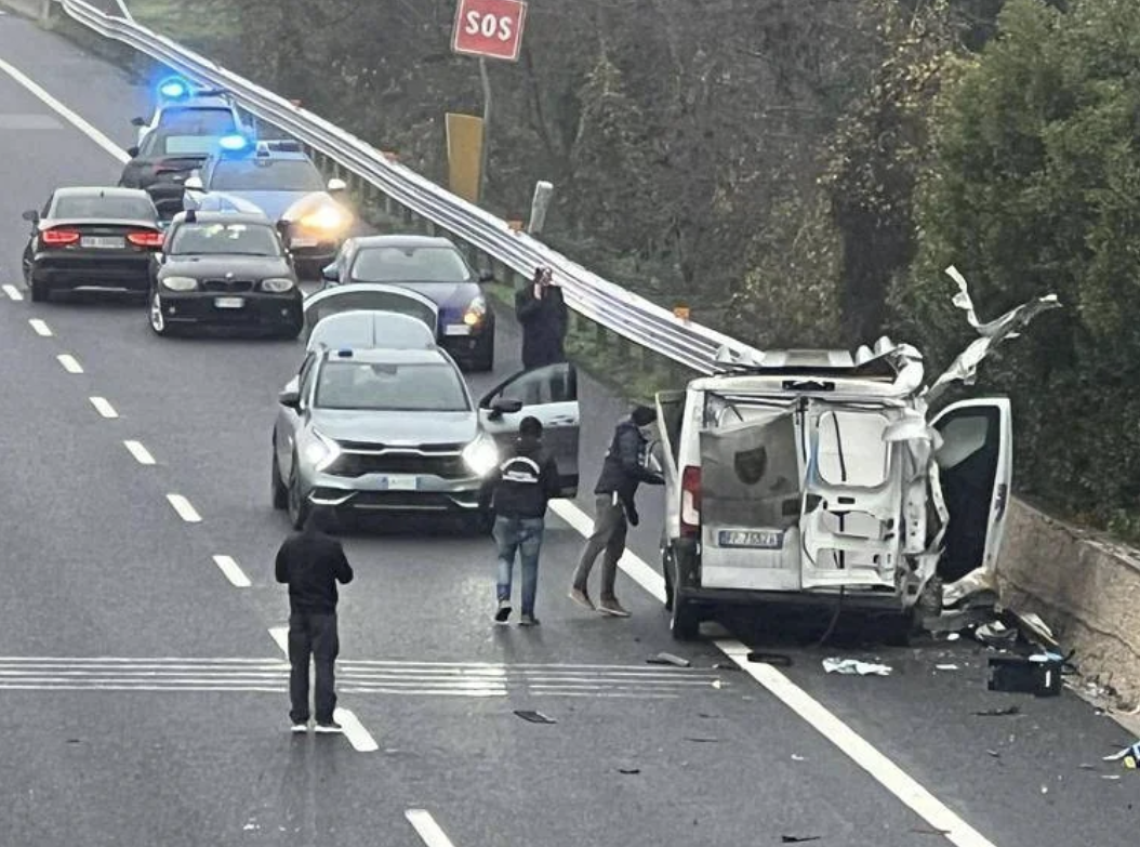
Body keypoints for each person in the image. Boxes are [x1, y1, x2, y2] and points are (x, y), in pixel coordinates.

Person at [569, 406, 664, 617]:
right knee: (600, 538)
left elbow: (626, 479)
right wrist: (658, 479)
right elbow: (630, 468)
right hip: (612, 496)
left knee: (615, 547)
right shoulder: (630, 435)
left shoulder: (629, 434)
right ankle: (578, 585)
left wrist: (631, 510)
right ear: (645, 424)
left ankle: (608, 598)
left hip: (618, 497)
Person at [274, 506, 354, 733]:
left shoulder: (291, 543)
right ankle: (324, 719)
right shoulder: (331, 546)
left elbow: (280, 575)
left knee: (298, 666)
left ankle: (299, 718)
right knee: (324, 664)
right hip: (324, 614)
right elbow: (346, 576)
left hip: (298, 614)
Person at [490, 416, 560, 626]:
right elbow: (554, 488)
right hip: (532, 517)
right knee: (529, 565)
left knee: (504, 559)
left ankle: (503, 599)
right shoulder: (546, 456)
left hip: (505, 515)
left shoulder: (505, 453)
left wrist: (485, 507)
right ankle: (527, 614)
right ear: (539, 434)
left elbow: (489, 480)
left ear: (519, 432)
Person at [515, 265, 568, 370]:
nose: (546, 279)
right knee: (533, 380)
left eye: (549, 276)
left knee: (556, 381)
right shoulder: (523, 295)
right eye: (543, 276)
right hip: (534, 347)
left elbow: (563, 315)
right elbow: (521, 316)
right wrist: (536, 301)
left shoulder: (556, 293)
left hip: (554, 347)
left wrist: (560, 334)